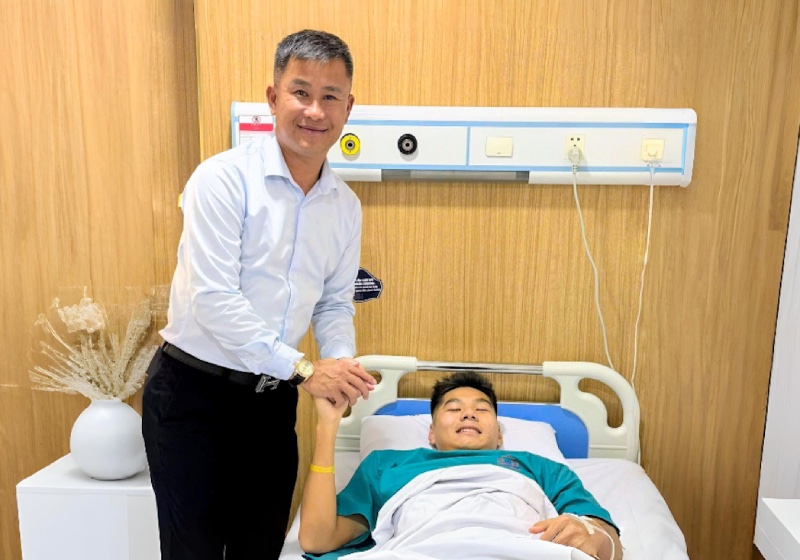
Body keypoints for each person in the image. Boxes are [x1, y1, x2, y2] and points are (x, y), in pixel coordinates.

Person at [141, 29, 376, 560]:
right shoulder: (223, 180)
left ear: (348, 107)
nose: (315, 110)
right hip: (191, 395)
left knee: (260, 546)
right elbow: (214, 299)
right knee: (192, 549)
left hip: (271, 403)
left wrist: (339, 367)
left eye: (330, 96)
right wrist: (309, 370)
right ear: (273, 97)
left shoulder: (344, 207)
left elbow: (335, 302)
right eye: (300, 92)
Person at [299, 371, 623, 560]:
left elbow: (610, 544)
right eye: (453, 409)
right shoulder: (387, 465)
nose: (469, 414)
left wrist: (591, 537)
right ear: (430, 432)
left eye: (482, 410)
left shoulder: (542, 468)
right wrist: (327, 427)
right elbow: (318, 539)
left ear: (499, 434)